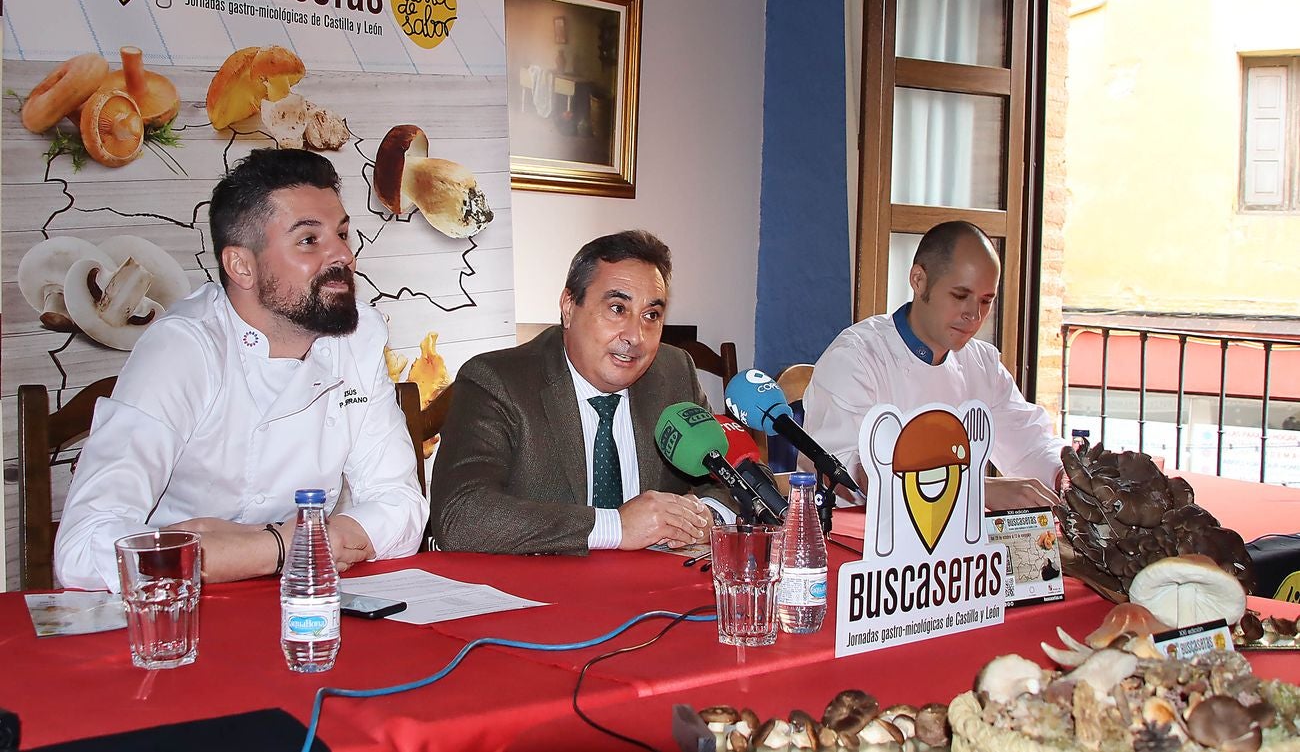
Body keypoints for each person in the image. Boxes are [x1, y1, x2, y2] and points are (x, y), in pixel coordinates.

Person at [54, 149, 429, 592]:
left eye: (342, 233)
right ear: (241, 266)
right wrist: (275, 548)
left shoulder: (358, 335)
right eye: (309, 240)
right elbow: (81, 551)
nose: (344, 255)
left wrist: (315, 540)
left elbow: (401, 503)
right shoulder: (184, 348)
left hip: (305, 601)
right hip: (180, 614)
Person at [430, 230, 731, 554]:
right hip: (541, 596)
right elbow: (460, 517)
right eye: (617, 308)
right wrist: (615, 526)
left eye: (651, 316)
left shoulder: (674, 374)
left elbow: (740, 480)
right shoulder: (498, 382)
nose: (635, 336)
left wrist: (706, 518)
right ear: (569, 307)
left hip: (651, 595)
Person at [802, 220, 1065, 509]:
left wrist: (1064, 476)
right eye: (960, 296)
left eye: (986, 301)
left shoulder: (981, 364)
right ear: (918, 280)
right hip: (853, 542)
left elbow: (1029, 446)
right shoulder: (856, 357)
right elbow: (847, 475)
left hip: (956, 548)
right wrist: (978, 491)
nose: (974, 315)